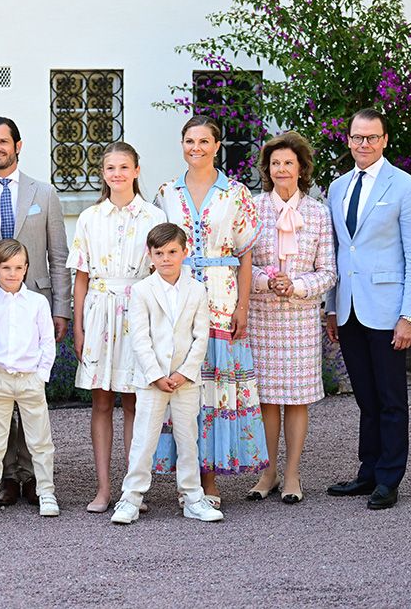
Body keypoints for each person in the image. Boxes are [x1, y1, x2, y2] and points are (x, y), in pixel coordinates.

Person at [152, 115, 267, 509]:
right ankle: (186, 480)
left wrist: (243, 306)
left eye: (204, 141)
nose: (196, 148)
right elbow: (157, 250)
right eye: (189, 141)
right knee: (183, 389)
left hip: (221, 296)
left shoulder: (235, 192)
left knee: (214, 391)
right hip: (178, 296)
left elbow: (246, 253)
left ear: (217, 146)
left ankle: (209, 480)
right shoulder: (167, 192)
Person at [325, 108, 411, 510]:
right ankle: (367, 472)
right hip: (350, 310)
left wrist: (410, 315)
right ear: (348, 140)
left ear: (385, 140)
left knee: (390, 399)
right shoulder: (337, 188)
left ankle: (389, 479)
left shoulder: (406, 187)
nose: (363, 144)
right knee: (366, 399)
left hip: (389, 310)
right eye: (357, 138)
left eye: (371, 138)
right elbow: (340, 252)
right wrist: (333, 309)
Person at [0, 115, 71, 507]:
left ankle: (31, 475)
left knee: (31, 397)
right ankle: (7, 476)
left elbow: (58, 255)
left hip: (35, 301)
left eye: (2, 141)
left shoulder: (43, 194)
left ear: (17, 144)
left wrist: (61, 307)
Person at [67, 141, 166, 513]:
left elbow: (162, 275)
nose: (117, 174)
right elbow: (80, 275)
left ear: (137, 171)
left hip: (138, 311)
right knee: (102, 401)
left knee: (135, 402)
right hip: (100, 311)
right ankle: (104, 489)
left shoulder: (153, 217)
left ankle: (133, 489)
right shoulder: (91, 218)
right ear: (103, 174)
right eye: (110, 168)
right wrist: (77, 327)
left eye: (124, 167)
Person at [246, 132, 337, 505]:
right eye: (275, 163)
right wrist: (268, 280)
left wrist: (296, 284)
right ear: (267, 169)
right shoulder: (251, 209)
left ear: (301, 169)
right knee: (267, 399)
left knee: (296, 400)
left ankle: (293, 473)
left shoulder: (318, 213)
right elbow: (240, 265)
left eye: (289, 163)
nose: (282, 169)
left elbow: (329, 272)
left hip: (299, 318)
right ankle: (267, 472)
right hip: (262, 316)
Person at [110, 223, 221, 524]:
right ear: (150, 255)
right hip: (152, 380)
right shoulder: (142, 291)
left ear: (185, 252)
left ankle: (192, 497)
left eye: (172, 252)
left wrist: (185, 372)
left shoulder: (197, 290)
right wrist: (156, 374)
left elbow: (201, 337)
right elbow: (140, 338)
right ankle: (131, 498)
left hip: (185, 380)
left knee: (188, 439)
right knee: (144, 439)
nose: (166, 258)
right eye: (159, 253)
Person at [0, 239, 59, 519]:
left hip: (31, 378)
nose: (12, 273)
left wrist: (41, 375)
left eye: (18, 267)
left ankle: (46, 491)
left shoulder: (37, 303)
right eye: (6, 267)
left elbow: (48, 342)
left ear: (26, 268)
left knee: (40, 440)